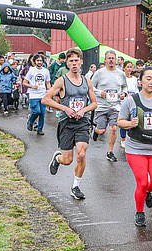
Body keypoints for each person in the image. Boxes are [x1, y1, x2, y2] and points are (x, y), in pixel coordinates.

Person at [117, 66, 152, 227]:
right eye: (148, 78)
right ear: (140, 81)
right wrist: (130, 123)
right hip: (136, 148)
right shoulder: (131, 100)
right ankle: (140, 212)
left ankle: (147, 192)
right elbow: (120, 121)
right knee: (141, 182)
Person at [42, 48, 98, 200]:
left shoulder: (87, 81)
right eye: (71, 61)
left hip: (82, 121)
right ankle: (58, 158)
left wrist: (83, 110)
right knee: (68, 160)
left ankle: (76, 186)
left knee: (81, 153)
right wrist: (65, 108)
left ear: (81, 62)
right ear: (67, 63)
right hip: (66, 122)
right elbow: (45, 99)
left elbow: (94, 103)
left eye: (76, 60)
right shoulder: (62, 81)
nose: (74, 63)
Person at [91, 50, 128, 162]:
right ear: (105, 60)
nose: (111, 60)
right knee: (101, 130)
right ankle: (96, 130)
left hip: (115, 106)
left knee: (113, 129)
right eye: (109, 58)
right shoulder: (99, 73)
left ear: (116, 60)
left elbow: (125, 87)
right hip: (102, 106)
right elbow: (91, 87)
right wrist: (99, 93)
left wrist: (124, 93)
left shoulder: (121, 73)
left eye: (113, 58)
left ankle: (110, 152)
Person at [23, 54, 51, 135]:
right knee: (36, 111)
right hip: (33, 95)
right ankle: (30, 122)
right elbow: (24, 82)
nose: (39, 62)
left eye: (41, 60)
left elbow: (48, 83)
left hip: (43, 95)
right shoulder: (31, 70)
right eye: (37, 60)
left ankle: (40, 129)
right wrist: (32, 86)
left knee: (42, 113)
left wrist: (49, 90)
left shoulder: (46, 71)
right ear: (35, 61)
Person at [119, 61, 140, 149]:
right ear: (124, 68)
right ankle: (123, 139)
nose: (129, 69)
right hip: (124, 101)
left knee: (132, 120)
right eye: (127, 67)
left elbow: (136, 90)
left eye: (131, 67)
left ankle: (130, 138)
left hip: (133, 101)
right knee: (124, 119)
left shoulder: (134, 79)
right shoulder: (121, 78)